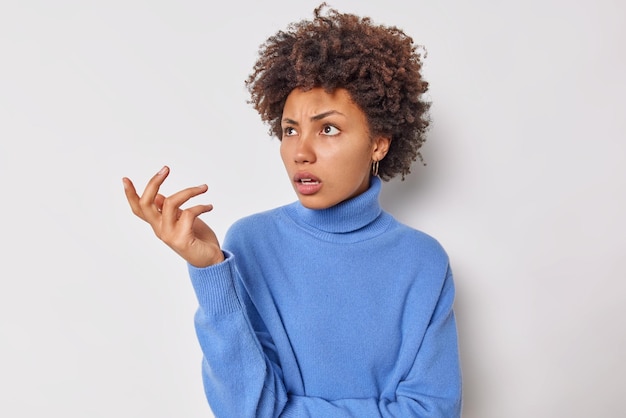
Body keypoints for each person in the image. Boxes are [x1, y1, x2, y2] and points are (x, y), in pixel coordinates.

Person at [122, 3, 462, 417]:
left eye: (328, 129)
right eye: (289, 130)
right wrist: (211, 271)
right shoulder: (251, 243)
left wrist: (291, 409)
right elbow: (245, 410)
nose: (301, 152)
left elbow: (432, 411)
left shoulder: (422, 261)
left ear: (378, 143)